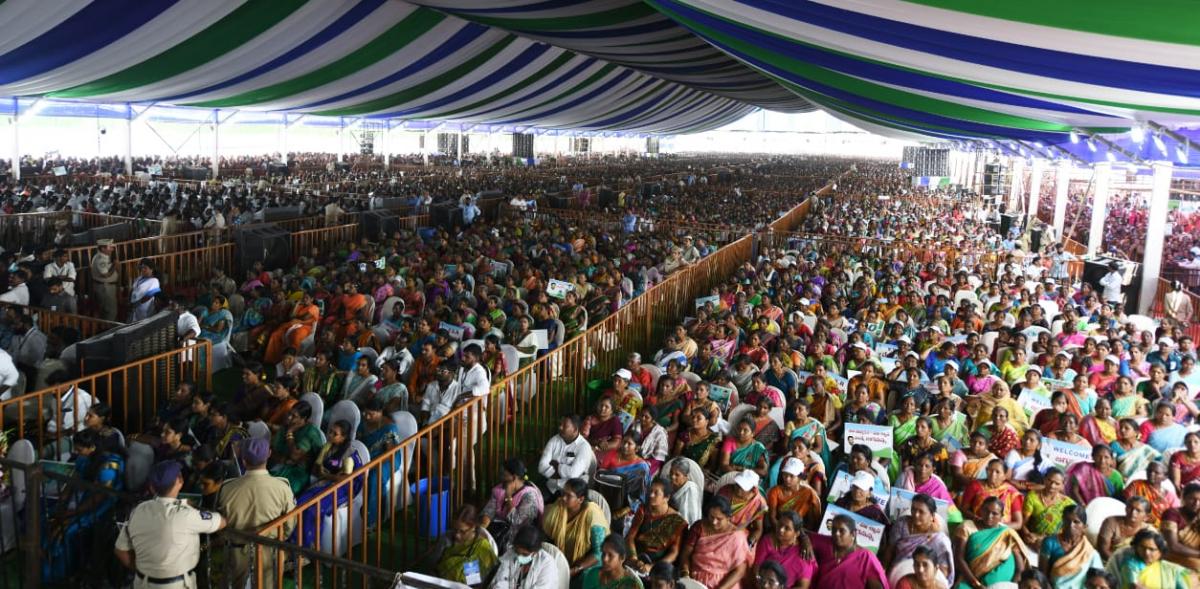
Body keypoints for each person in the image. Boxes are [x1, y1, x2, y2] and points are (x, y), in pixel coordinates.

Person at [115, 461, 226, 589]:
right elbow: (221, 522)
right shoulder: (187, 514)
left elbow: (120, 551)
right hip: (176, 585)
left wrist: (147, 570)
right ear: (180, 481)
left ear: (152, 487)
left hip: (142, 583)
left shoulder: (138, 510)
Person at [217, 437, 296, 589]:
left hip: (236, 551)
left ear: (244, 460)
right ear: (269, 454)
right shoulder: (282, 487)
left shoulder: (226, 488)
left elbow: (222, 523)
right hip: (268, 550)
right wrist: (278, 537)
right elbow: (290, 523)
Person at [881, 493, 955, 587]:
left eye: (921, 512)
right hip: (897, 574)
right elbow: (890, 549)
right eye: (913, 509)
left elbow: (944, 571)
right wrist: (883, 571)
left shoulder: (939, 539)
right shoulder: (902, 524)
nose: (916, 514)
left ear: (932, 516)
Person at [678, 495, 750, 589]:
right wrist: (685, 575)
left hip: (725, 583)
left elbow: (740, 571)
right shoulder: (699, 527)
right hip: (695, 580)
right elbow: (686, 554)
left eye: (719, 519)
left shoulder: (737, 537)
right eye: (711, 517)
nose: (714, 522)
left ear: (729, 518)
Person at [955, 497, 1028, 589]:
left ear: (1001, 516)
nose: (989, 516)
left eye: (995, 513)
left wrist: (1012, 585)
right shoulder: (967, 527)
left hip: (1004, 584)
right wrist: (976, 584)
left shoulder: (1006, 532)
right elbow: (959, 558)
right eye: (986, 511)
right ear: (980, 510)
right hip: (972, 580)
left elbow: (1020, 567)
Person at [543, 478, 608, 577]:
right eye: (563, 493)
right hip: (562, 555)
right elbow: (547, 531)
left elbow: (599, 552)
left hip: (587, 562)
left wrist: (576, 569)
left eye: (569, 496)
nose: (563, 498)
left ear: (580, 499)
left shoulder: (592, 515)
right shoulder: (560, 506)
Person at [625, 479, 687, 574]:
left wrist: (652, 567)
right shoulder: (643, 510)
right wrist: (634, 559)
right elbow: (630, 537)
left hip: (658, 564)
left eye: (656, 493)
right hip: (637, 557)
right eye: (650, 491)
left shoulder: (677, 521)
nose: (651, 495)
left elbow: (674, 553)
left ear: (666, 498)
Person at [481, 458, 545, 547]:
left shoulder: (530, 495)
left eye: (504, 474)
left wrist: (508, 497)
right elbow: (489, 511)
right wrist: (482, 528)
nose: (501, 477)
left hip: (519, 536)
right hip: (499, 530)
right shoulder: (499, 489)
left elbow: (517, 521)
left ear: (514, 477)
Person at [433, 505, 500, 587]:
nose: (457, 535)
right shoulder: (446, 539)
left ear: (473, 527)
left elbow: (476, 582)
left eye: (462, 531)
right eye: (454, 529)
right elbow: (434, 566)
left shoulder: (482, 548)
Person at [814, 514, 887, 589]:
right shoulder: (826, 542)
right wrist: (804, 540)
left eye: (842, 531)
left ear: (853, 534)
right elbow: (803, 532)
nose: (836, 533)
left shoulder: (866, 557)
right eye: (834, 529)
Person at [1105, 529, 1196, 589]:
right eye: (1142, 547)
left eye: (1152, 549)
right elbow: (1135, 586)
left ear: (1160, 552)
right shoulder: (1130, 563)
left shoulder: (1170, 570)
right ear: (1136, 547)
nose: (1146, 552)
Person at [1038, 505, 1102, 589]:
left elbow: (1097, 580)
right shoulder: (1050, 543)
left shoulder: (1089, 552)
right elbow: (1042, 576)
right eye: (1067, 520)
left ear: (1084, 527)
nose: (1071, 525)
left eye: (1076, 522)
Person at [752, 510, 817, 589]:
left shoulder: (803, 555)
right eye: (780, 524)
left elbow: (803, 586)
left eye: (787, 528)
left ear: (796, 534)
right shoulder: (768, 541)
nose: (781, 530)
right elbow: (756, 568)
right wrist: (761, 583)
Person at [538, 414, 595, 495]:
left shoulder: (584, 447)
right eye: (560, 424)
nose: (560, 427)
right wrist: (565, 472)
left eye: (564, 426)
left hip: (573, 492)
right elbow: (541, 467)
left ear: (575, 429)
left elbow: (573, 474)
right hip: (551, 487)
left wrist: (556, 466)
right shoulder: (554, 440)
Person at [489, 524, 558, 589]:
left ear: (535, 552)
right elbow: (501, 577)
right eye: (517, 552)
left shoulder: (547, 564)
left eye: (525, 554)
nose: (519, 557)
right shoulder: (512, 552)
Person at [1022, 468, 1075, 549]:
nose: (1052, 485)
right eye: (1049, 480)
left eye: (1057, 483)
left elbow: (1071, 529)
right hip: (1033, 540)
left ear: (1062, 485)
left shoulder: (1069, 504)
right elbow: (1023, 523)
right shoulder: (1032, 497)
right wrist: (1028, 534)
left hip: (1056, 542)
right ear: (1044, 479)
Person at [767, 457, 822, 530]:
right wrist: (782, 530)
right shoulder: (775, 491)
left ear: (799, 477)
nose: (787, 479)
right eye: (785, 475)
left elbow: (811, 522)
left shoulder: (808, 493)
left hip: (800, 530)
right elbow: (772, 517)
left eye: (791, 476)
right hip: (779, 528)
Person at [1097, 497, 1153, 561]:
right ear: (1126, 509)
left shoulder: (1149, 531)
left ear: (1146, 517)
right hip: (1110, 562)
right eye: (1130, 508)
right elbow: (1103, 550)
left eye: (1138, 510)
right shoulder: (1111, 522)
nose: (1133, 512)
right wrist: (1119, 566)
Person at [1162, 482, 1200, 571]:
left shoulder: (1198, 516)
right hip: (1173, 556)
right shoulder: (1172, 514)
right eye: (1192, 499)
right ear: (1183, 499)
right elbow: (1173, 546)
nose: (1196, 503)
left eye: (1199, 500)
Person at [89, 239, 118, 321]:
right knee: (110, 312)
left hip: (104, 287)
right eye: (110, 247)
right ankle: (109, 331)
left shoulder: (102, 257)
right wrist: (114, 266)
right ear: (103, 249)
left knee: (105, 311)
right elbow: (105, 275)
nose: (112, 249)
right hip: (105, 288)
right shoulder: (100, 259)